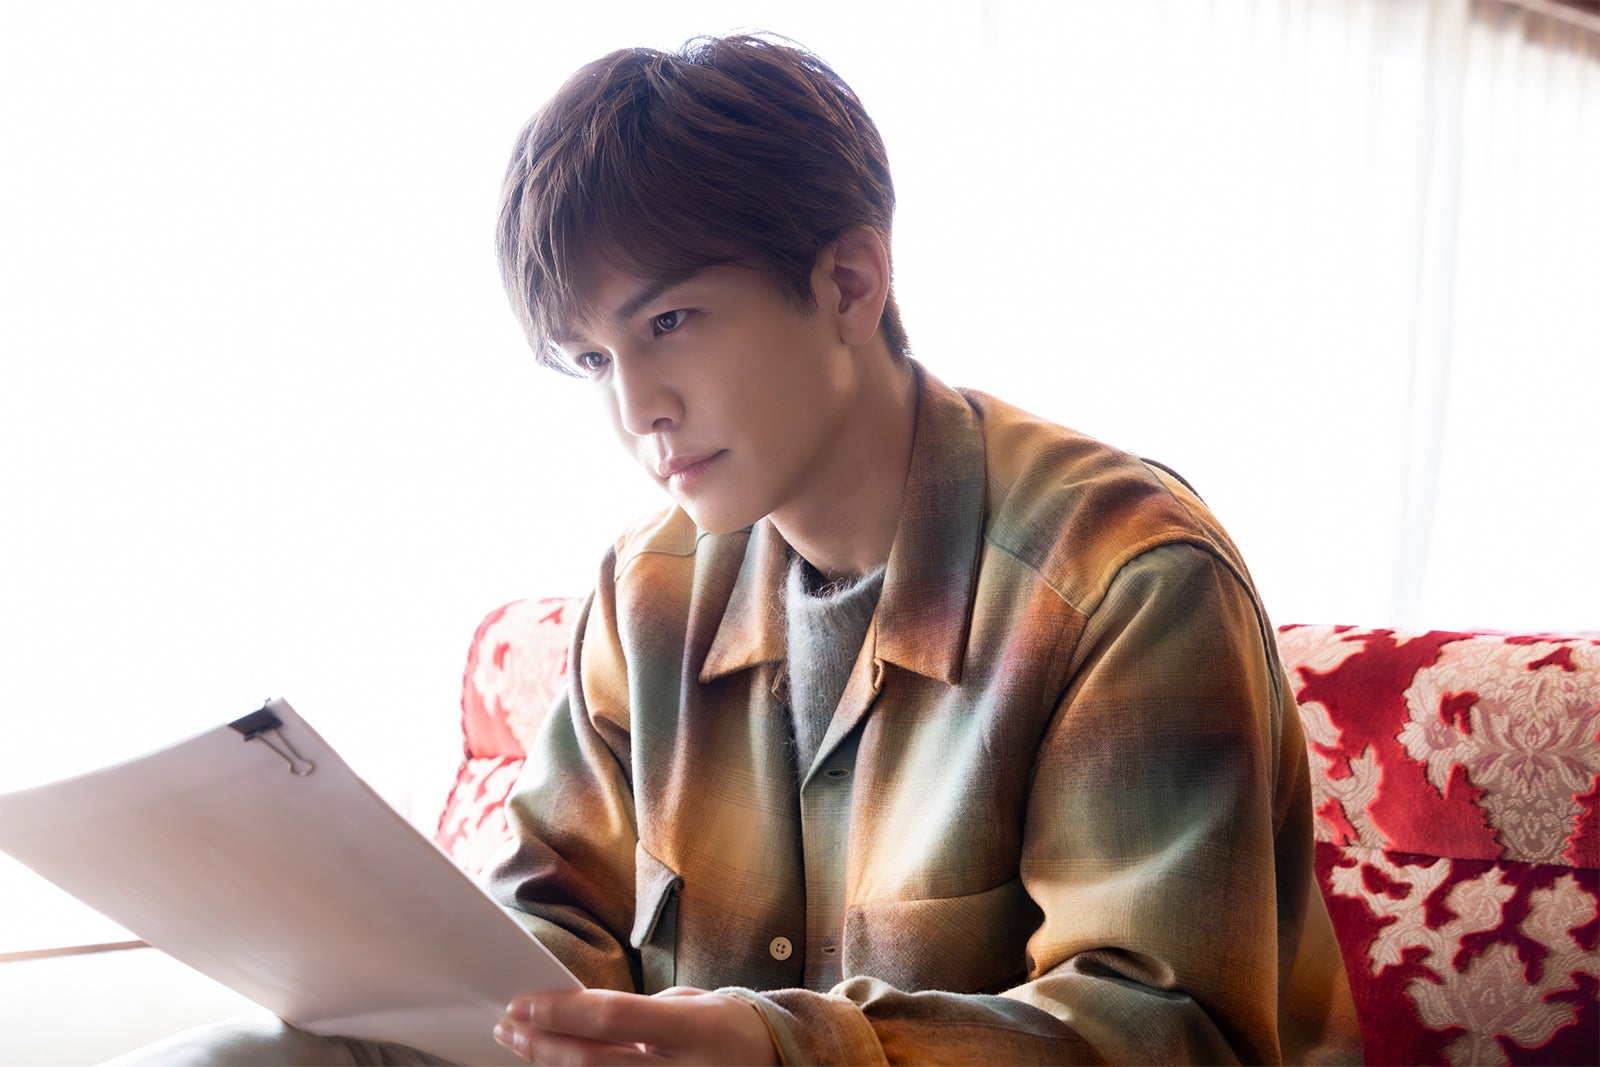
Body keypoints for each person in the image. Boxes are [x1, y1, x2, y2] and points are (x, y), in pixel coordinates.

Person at [111, 31, 1360, 1067]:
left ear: (850, 282)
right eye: (593, 359)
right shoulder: (647, 589)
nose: (635, 407)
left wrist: (780, 1047)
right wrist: (394, 975)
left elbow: (1168, 1030)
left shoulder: (1121, 578)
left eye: (670, 320)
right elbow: (557, 919)